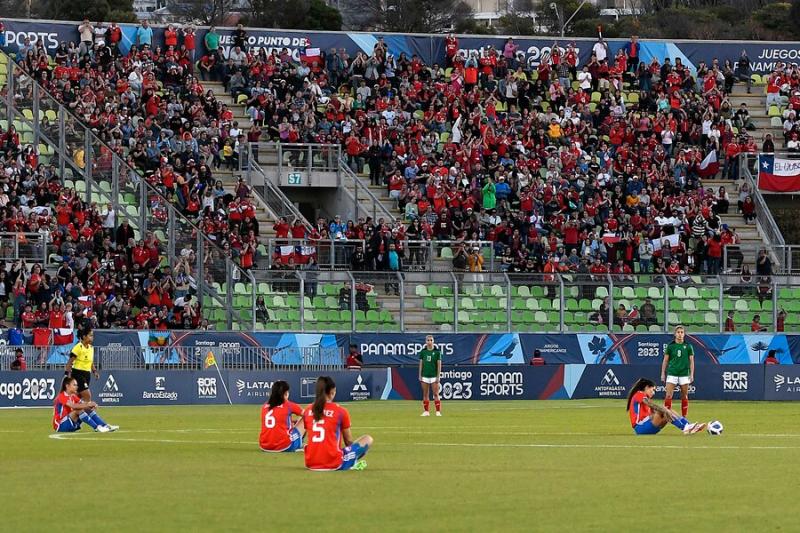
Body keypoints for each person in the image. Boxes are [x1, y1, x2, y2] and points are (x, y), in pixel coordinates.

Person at [302, 377, 372, 471]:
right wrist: (356, 453)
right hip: (333, 462)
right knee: (368, 439)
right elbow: (348, 441)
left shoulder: (307, 410)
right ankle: (352, 462)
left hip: (310, 462)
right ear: (332, 392)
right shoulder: (340, 411)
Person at [627, 378, 707, 435]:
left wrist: (665, 410)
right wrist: (664, 409)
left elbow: (652, 413)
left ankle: (689, 426)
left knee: (667, 410)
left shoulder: (644, 397)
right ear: (647, 387)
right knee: (664, 410)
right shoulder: (639, 394)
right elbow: (650, 404)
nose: (653, 393)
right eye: (653, 390)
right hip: (640, 428)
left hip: (649, 427)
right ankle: (685, 428)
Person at [53, 376, 117, 433]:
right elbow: (73, 406)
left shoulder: (73, 396)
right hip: (60, 425)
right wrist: (88, 405)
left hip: (70, 422)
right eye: (74, 385)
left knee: (87, 409)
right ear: (67, 386)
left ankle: (104, 425)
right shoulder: (62, 396)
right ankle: (97, 427)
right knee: (78, 410)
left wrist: (91, 405)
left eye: (76, 385)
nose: (77, 387)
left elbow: (83, 404)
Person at [259, 381, 305, 453]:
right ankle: (299, 443)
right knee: (305, 418)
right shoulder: (288, 405)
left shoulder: (265, 406)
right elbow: (308, 415)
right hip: (284, 446)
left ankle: (298, 441)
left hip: (264, 446)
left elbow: (277, 420)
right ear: (286, 393)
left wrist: (292, 422)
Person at [661, 325, 694, 417]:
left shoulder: (688, 346)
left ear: (684, 334)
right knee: (668, 396)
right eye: (678, 332)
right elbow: (665, 360)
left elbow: (691, 361)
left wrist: (691, 374)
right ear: (675, 334)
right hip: (672, 373)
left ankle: (684, 417)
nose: (680, 334)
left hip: (684, 374)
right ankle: (667, 417)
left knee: (684, 396)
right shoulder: (670, 346)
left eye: (682, 332)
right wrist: (663, 373)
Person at [65, 327, 98, 403]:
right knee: (87, 395)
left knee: (78, 396)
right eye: (90, 335)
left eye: (92, 336)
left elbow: (91, 362)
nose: (92, 338)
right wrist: (67, 374)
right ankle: (89, 414)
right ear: (84, 336)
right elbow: (70, 362)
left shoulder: (91, 348)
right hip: (78, 373)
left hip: (87, 374)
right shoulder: (78, 347)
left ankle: (71, 412)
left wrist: (95, 371)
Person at [418, 335, 442, 416]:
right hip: (425, 375)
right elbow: (421, 364)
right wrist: (420, 375)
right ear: (426, 341)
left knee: (436, 394)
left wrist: (438, 376)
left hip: (434, 376)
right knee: (425, 394)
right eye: (428, 340)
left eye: (431, 340)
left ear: (433, 341)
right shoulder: (423, 352)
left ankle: (438, 411)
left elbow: (439, 365)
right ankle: (426, 411)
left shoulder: (437, 352)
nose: (429, 342)